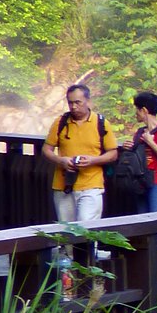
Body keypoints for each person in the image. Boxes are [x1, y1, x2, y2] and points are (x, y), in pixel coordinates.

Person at [40, 83, 116, 279]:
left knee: (84, 230)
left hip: (91, 184)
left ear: (88, 101)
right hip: (64, 185)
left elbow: (113, 153)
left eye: (78, 102)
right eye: (70, 103)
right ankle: (70, 280)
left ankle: (88, 276)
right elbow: (47, 149)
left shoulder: (101, 123)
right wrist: (61, 160)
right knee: (66, 234)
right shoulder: (60, 122)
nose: (74, 107)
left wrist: (93, 160)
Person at [117, 91, 157, 251]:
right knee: (143, 225)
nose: (135, 113)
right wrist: (129, 147)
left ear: (144, 110)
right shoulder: (140, 132)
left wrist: (151, 142)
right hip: (141, 181)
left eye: (137, 109)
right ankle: (149, 265)